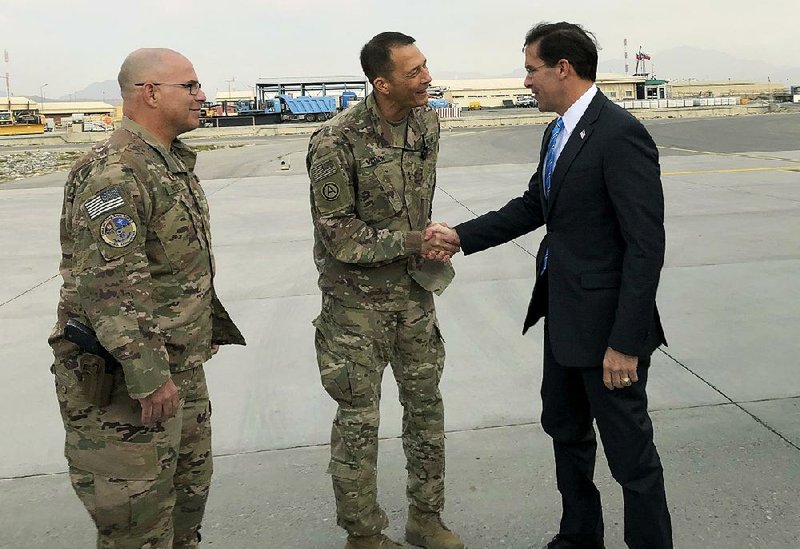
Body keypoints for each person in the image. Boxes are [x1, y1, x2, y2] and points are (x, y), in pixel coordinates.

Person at [426, 22, 672, 549]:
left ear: (563, 68)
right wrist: (460, 236)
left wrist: (626, 343)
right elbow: (536, 205)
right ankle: (580, 534)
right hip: (562, 318)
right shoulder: (557, 132)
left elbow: (645, 246)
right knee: (567, 433)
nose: (527, 81)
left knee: (631, 456)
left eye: (531, 69)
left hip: (609, 333)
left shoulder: (619, 133)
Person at [48, 48, 245, 548]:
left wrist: (198, 333)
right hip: (129, 384)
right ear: (150, 93)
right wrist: (149, 375)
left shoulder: (169, 164)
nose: (203, 96)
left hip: (177, 369)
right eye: (191, 86)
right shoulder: (115, 171)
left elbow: (171, 267)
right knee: (138, 531)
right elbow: (109, 287)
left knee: (184, 513)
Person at [306, 32, 464, 549]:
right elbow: (340, 236)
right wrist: (415, 239)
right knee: (358, 423)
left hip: (415, 299)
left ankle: (426, 517)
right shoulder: (335, 141)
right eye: (414, 72)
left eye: (425, 67)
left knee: (427, 411)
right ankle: (364, 534)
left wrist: (428, 241)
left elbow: (418, 198)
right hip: (356, 310)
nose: (427, 79)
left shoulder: (427, 124)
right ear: (382, 83)